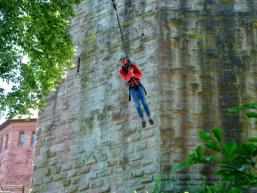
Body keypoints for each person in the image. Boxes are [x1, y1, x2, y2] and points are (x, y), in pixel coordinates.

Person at [118, 52, 154, 128]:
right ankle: (142, 120)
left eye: (124, 59)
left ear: (126, 59)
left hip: (139, 85)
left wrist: (133, 74)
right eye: (121, 60)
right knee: (137, 104)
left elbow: (140, 75)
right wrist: (130, 73)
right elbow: (127, 78)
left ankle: (149, 117)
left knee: (144, 102)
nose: (123, 61)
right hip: (132, 88)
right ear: (120, 62)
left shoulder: (132, 66)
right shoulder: (121, 71)